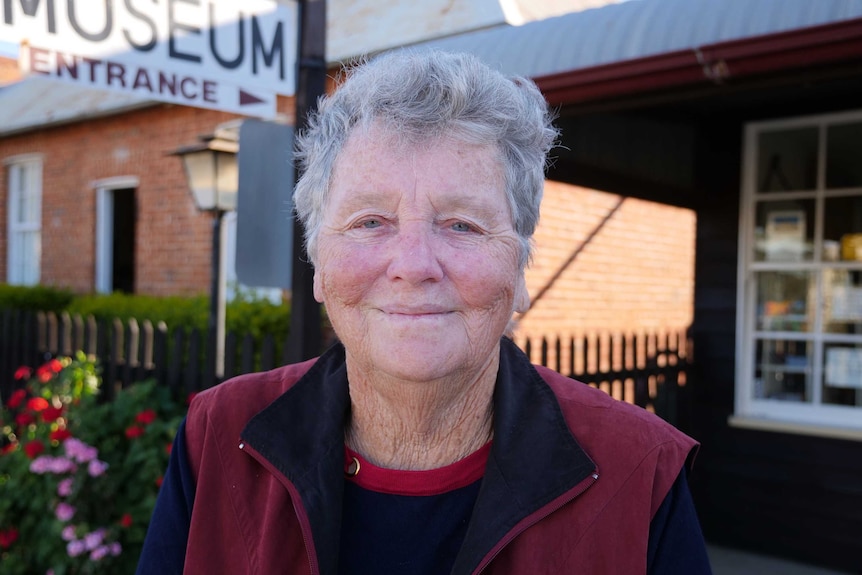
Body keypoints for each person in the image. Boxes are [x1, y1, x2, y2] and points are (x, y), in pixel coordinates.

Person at [136, 49, 712, 574]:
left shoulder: (641, 473)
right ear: (318, 265)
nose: (414, 265)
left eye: (462, 224)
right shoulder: (216, 435)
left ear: (520, 272)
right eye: (370, 222)